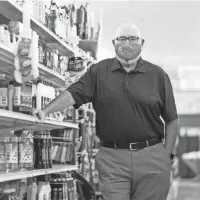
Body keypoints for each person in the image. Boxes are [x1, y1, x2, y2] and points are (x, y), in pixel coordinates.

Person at [34, 23, 179, 200]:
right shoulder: (99, 71)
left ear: (142, 42)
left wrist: (167, 154)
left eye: (133, 39)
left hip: (152, 156)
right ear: (114, 42)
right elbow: (74, 93)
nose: (127, 43)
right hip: (112, 159)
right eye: (122, 39)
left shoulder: (158, 75)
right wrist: (45, 111)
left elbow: (171, 119)